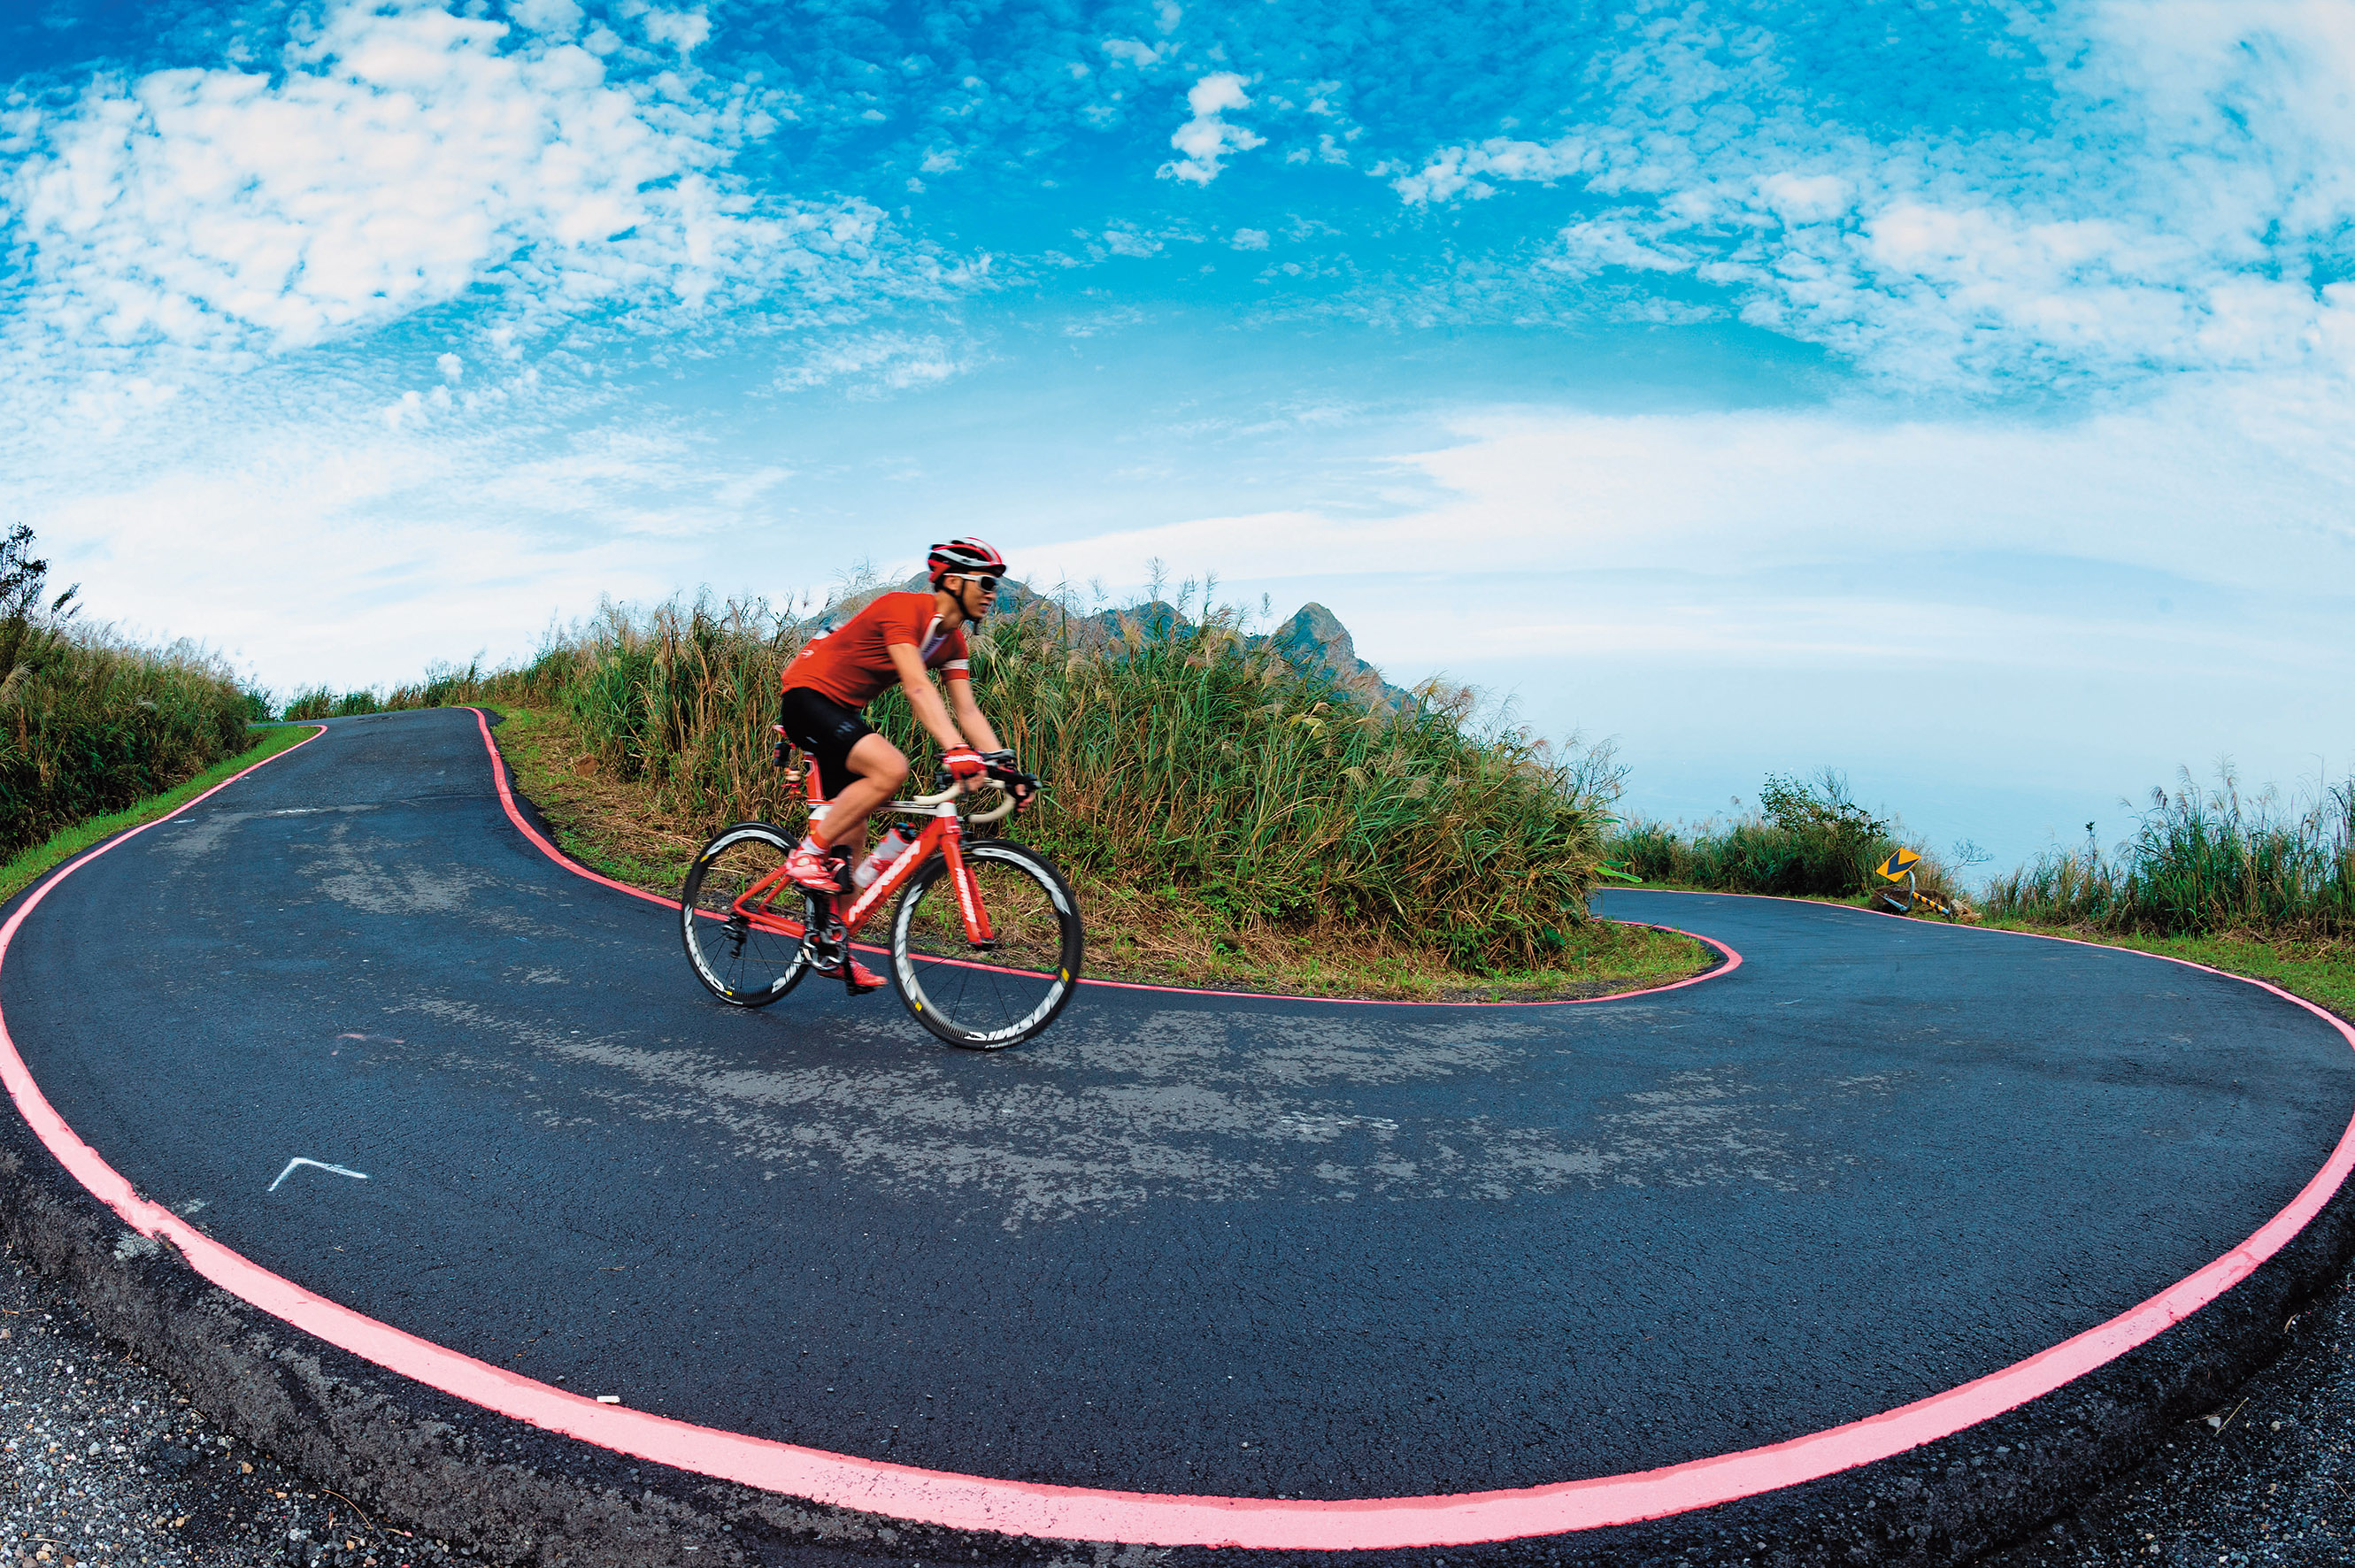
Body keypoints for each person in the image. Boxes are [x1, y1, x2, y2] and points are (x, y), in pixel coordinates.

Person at [776, 537, 1012, 905]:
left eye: (994, 586)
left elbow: (967, 710)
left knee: (849, 854)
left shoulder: (953, 644)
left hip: (843, 715)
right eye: (985, 583)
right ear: (953, 581)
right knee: (891, 768)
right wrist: (957, 750)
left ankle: (833, 954)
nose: (992, 594)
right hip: (807, 699)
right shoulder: (902, 609)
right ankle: (805, 855)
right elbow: (917, 687)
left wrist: (1004, 763)